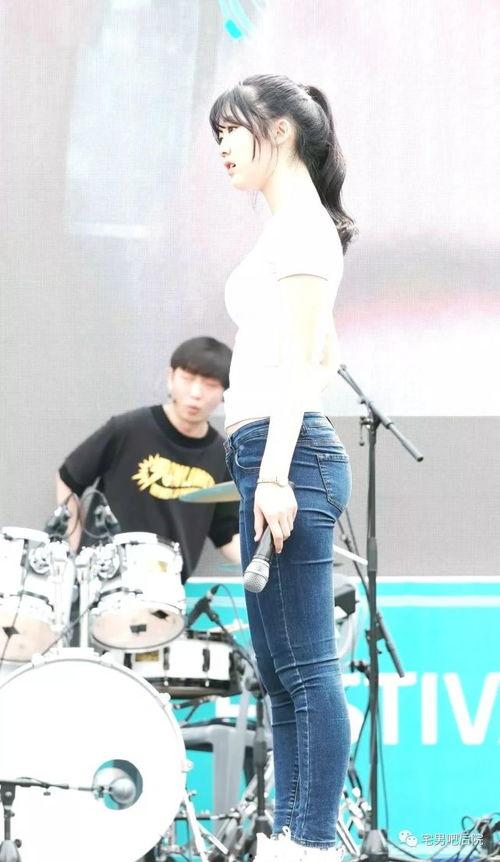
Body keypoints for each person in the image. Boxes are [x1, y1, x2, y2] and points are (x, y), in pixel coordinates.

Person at [209, 74, 357, 860]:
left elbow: (304, 365)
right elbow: (322, 351)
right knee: (281, 674)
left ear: (281, 132)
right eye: (218, 136)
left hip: (285, 457)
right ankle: (292, 837)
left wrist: (272, 474)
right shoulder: (289, 231)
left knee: (308, 671)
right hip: (264, 451)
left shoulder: (302, 227)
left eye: (232, 130)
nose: (223, 148)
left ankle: (310, 843)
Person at [57, 336, 240, 580]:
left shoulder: (222, 454)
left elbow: (225, 533)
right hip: (105, 579)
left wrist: (264, 562)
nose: (196, 393)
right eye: (187, 379)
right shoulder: (128, 429)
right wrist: (75, 552)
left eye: (210, 384)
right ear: (170, 377)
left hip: (168, 586)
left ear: (225, 393)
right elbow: (68, 478)